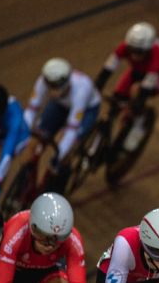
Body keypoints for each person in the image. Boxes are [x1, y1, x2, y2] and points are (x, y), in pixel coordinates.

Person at [22, 58, 101, 191]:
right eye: (49, 86)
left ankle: (58, 189)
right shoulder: (43, 81)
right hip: (60, 103)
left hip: (87, 109)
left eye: (55, 86)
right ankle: (23, 186)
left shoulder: (81, 90)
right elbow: (31, 109)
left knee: (64, 152)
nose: (51, 89)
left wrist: (58, 157)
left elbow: (71, 131)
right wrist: (24, 134)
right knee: (33, 143)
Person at [94, 22, 159, 151]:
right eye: (132, 50)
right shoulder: (125, 47)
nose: (134, 55)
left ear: (148, 49)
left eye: (139, 52)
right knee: (117, 96)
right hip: (138, 71)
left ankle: (139, 125)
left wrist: (137, 103)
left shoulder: (157, 56)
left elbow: (146, 86)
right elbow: (108, 67)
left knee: (136, 93)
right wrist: (98, 84)